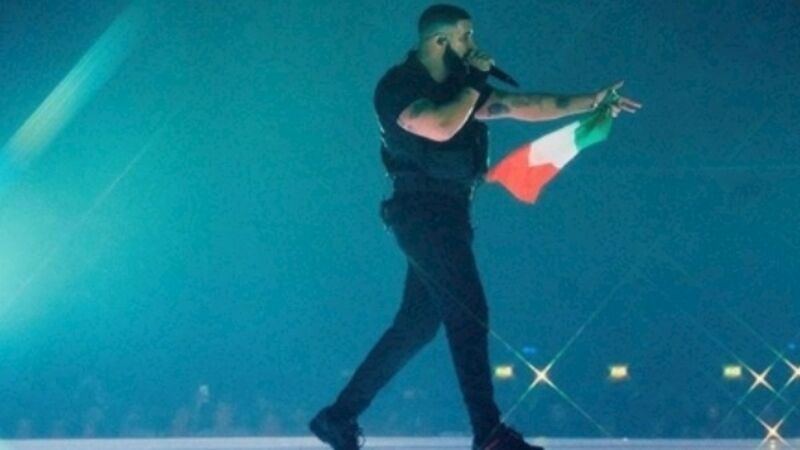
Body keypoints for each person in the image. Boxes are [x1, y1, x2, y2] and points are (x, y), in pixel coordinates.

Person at [309, 4, 641, 450]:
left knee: (417, 324)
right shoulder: (400, 85)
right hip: (421, 212)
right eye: (465, 36)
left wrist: (591, 101)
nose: (474, 45)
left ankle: (337, 417)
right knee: (468, 311)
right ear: (439, 41)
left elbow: (521, 105)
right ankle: (487, 432)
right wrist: (473, 81)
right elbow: (441, 127)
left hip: (450, 212)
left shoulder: (459, 86)